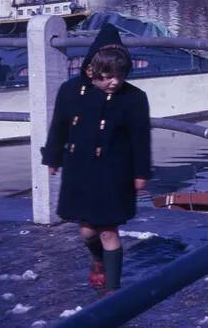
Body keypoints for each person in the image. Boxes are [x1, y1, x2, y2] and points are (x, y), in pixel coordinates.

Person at [41, 24, 152, 292]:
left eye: (120, 75)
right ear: (91, 70)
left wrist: (141, 173)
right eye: (107, 76)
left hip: (115, 172)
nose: (114, 81)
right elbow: (58, 127)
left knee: (108, 230)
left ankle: (113, 290)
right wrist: (53, 158)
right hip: (80, 170)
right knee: (87, 232)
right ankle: (98, 259)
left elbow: (140, 138)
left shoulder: (134, 98)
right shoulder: (70, 91)